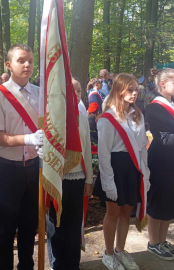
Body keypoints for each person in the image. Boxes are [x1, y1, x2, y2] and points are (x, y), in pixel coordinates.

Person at [0, 43, 43, 270]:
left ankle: (26, 266)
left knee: (29, 226)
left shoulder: (40, 94)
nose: (27, 64)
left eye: (30, 60)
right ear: (8, 64)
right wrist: (29, 139)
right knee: (6, 228)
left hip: (34, 167)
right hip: (8, 169)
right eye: (21, 60)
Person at [93, 73, 150, 270]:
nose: (135, 94)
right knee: (113, 212)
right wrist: (108, 181)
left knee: (127, 212)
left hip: (132, 167)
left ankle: (120, 250)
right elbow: (104, 154)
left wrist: (145, 173)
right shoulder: (107, 118)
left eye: (136, 90)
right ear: (119, 90)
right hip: (115, 167)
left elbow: (142, 147)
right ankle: (108, 255)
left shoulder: (138, 115)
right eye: (130, 90)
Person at [46, 78, 93, 270]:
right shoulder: (49, 117)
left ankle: (73, 264)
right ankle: (57, 264)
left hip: (77, 177)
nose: (75, 95)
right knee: (55, 225)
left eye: (79, 91)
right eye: (70, 92)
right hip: (54, 179)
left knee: (74, 225)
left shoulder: (82, 117)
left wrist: (89, 178)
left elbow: (87, 148)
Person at [145, 68, 174, 260]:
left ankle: (162, 240)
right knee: (157, 200)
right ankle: (153, 242)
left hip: (171, 160)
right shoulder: (153, 107)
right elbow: (164, 138)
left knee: (169, 201)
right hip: (160, 161)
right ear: (162, 84)